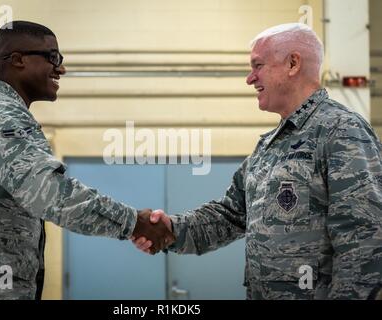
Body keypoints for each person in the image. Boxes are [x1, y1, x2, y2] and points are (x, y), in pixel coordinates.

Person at [132, 23, 382, 300]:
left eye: (258, 65)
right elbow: (229, 215)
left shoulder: (341, 132)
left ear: (293, 63)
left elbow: (364, 241)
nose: (250, 78)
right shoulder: (269, 145)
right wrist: (171, 229)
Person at [0, 21, 174, 300]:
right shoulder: (2, 113)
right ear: (18, 60)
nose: (61, 68)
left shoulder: (5, 114)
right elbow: (46, 192)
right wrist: (132, 222)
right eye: (53, 57)